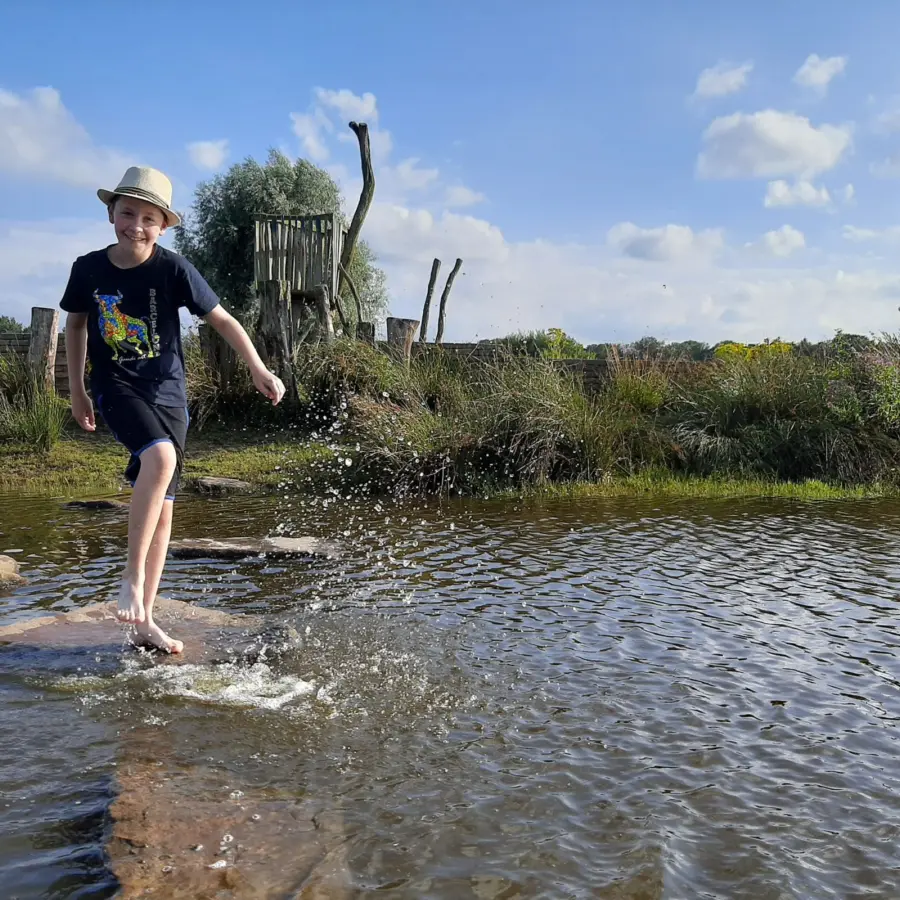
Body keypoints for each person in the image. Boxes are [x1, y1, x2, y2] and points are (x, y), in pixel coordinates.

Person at [61, 165, 285, 653]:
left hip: (169, 395)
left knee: (164, 510)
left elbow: (223, 320)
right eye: (127, 213)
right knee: (159, 460)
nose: (136, 226)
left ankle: (144, 618)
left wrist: (257, 368)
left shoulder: (174, 269)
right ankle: (129, 580)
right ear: (111, 214)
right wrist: (77, 389)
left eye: (148, 218)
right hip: (116, 386)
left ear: (163, 225)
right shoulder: (87, 269)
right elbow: (76, 328)